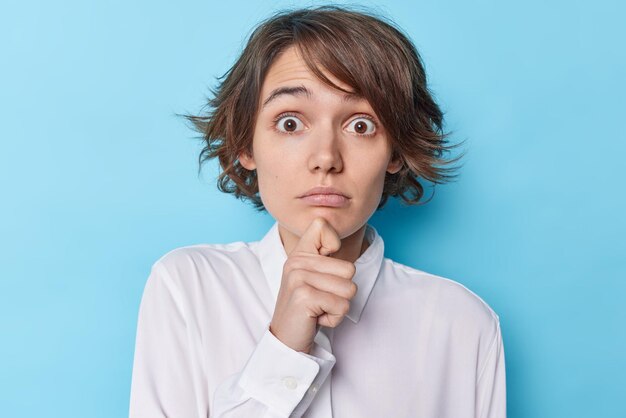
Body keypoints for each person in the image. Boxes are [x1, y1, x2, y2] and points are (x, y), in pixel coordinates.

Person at [129, 5, 506, 418]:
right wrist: (284, 346)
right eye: (290, 123)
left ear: (395, 151)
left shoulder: (463, 325)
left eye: (361, 125)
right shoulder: (188, 287)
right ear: (245, 144)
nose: (326, 158)